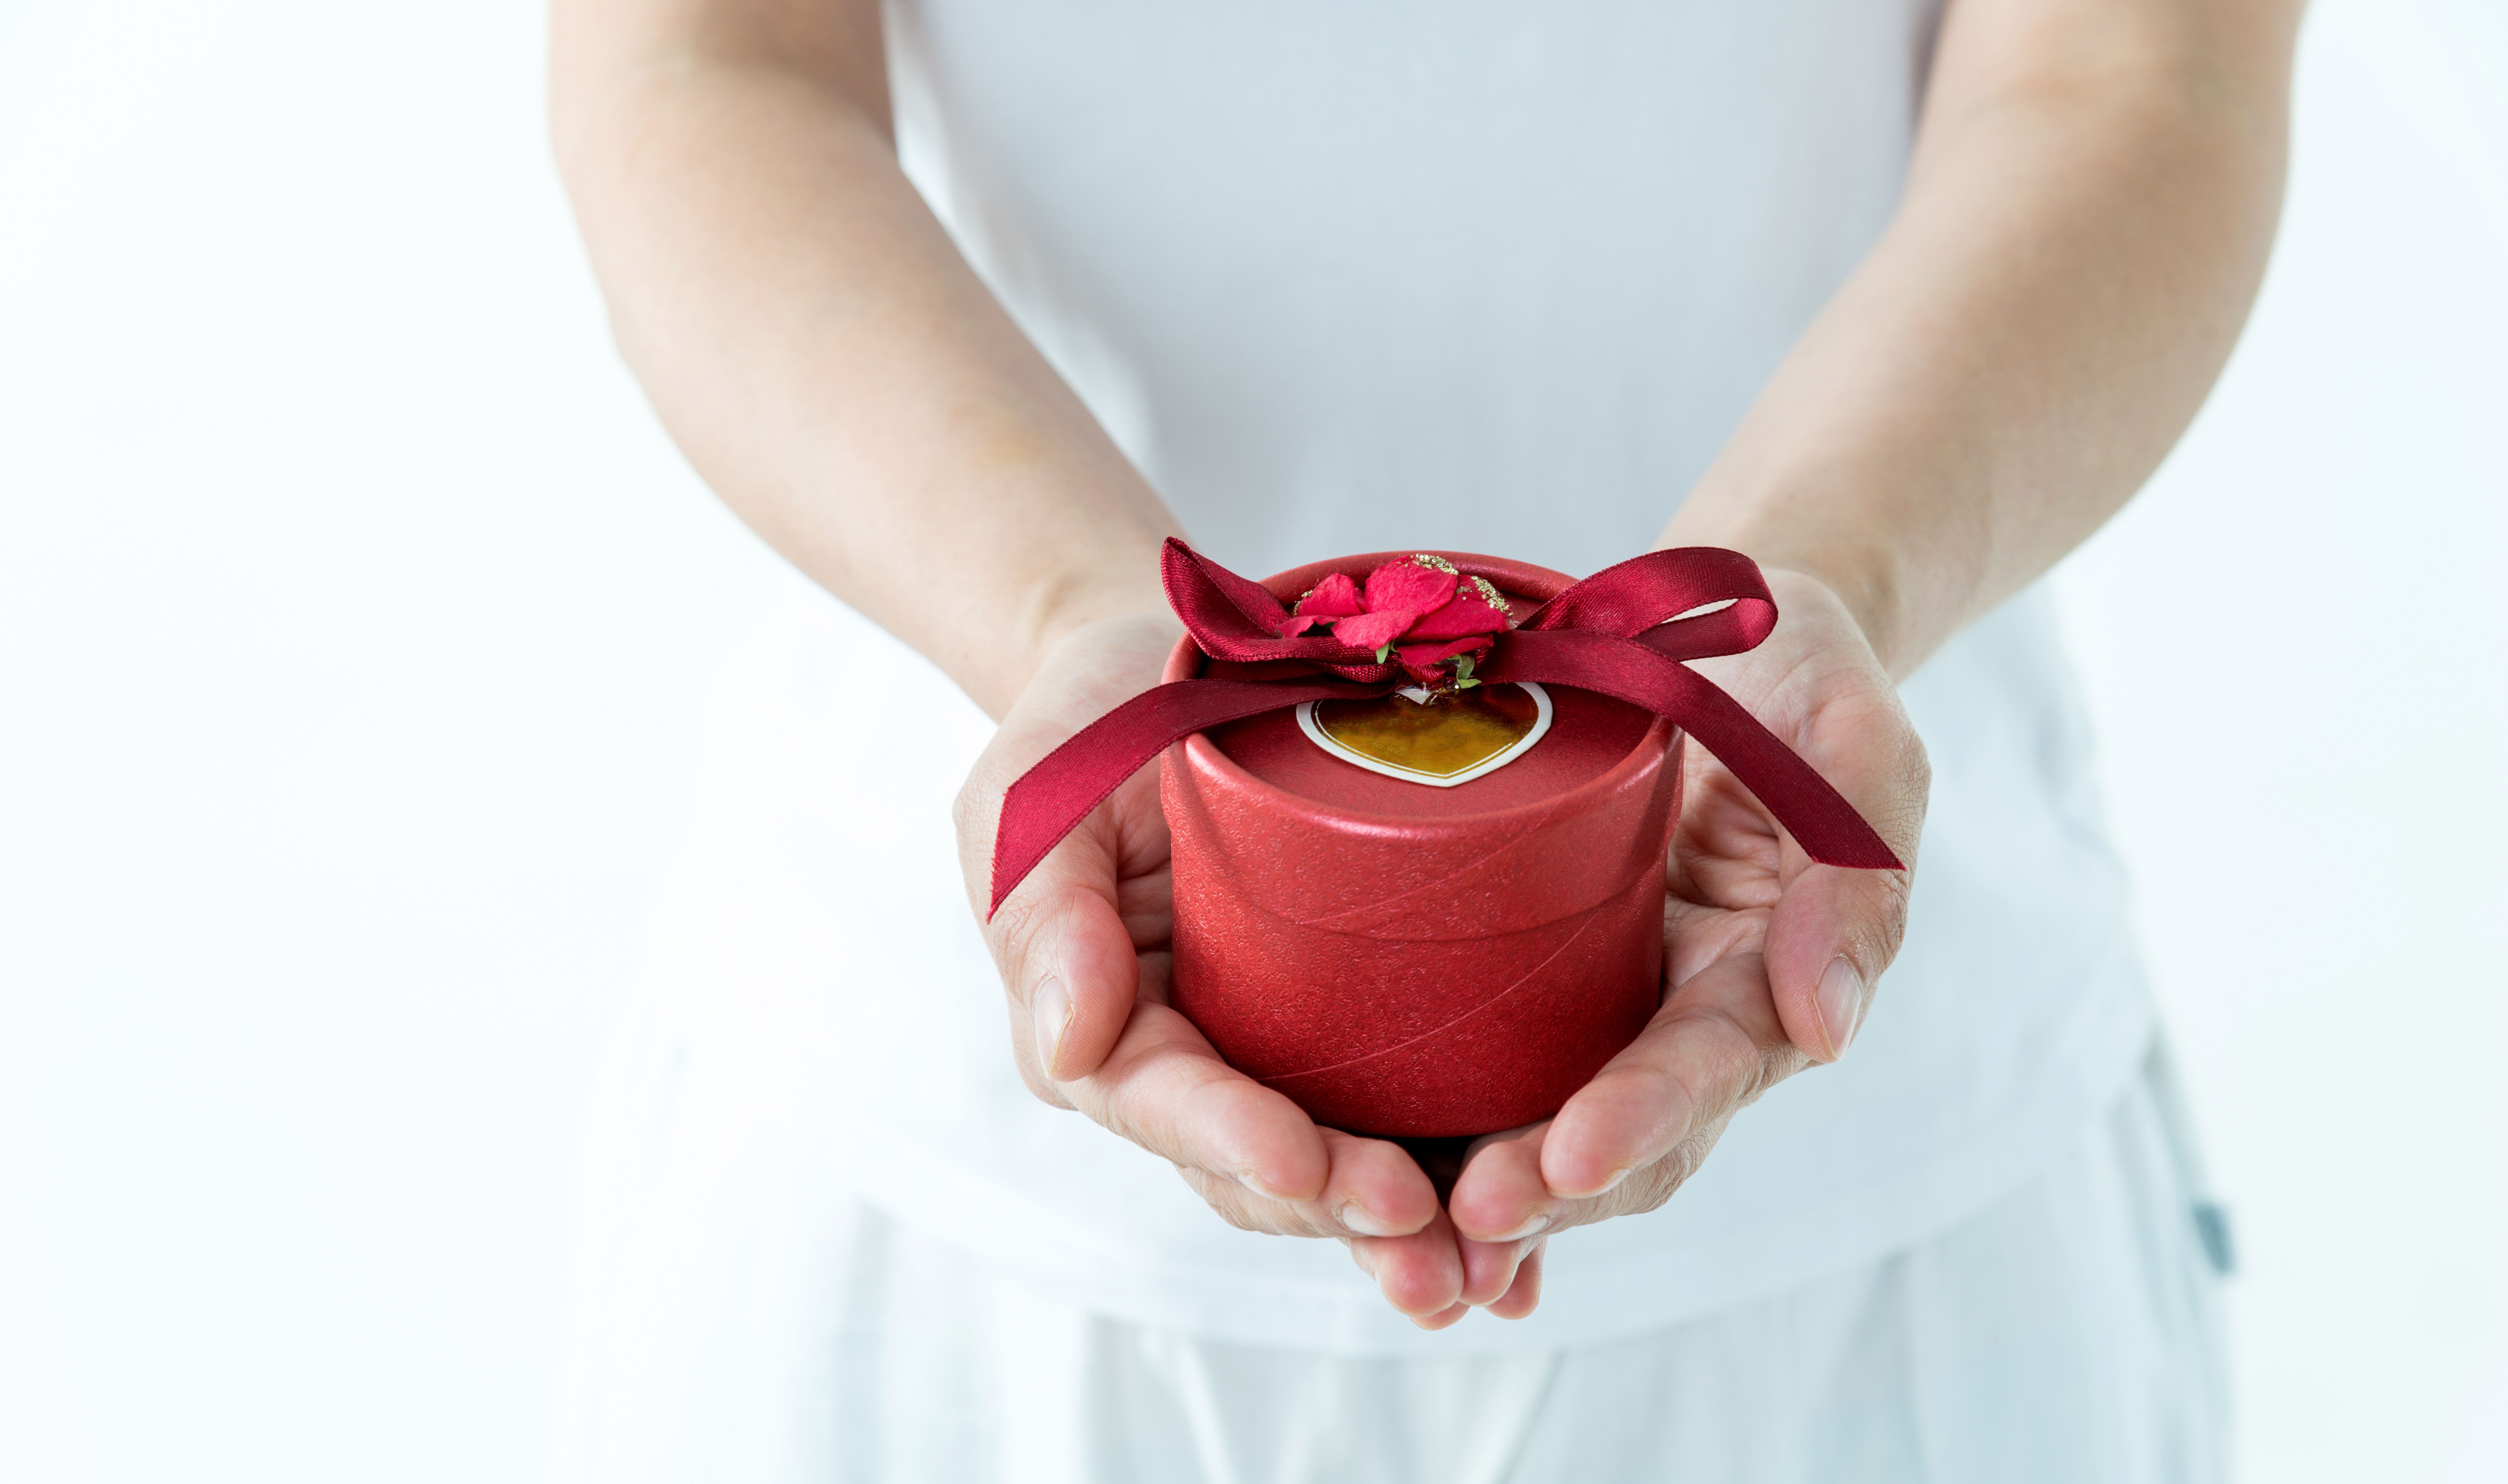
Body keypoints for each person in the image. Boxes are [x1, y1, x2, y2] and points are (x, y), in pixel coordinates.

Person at [547, 0, 2298, 1478]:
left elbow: (2138, 75)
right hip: (943, 1212)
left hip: (1881, 1179)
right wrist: (1063, 622)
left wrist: (1801, 579)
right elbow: (709, 66)